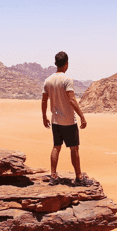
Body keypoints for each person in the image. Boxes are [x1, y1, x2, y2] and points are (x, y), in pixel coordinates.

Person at [41, 51, 89, 185]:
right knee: (74, 148)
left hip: (55, 121)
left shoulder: (48, 80)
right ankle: (79, 177)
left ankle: (53, 175)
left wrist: (44, 116)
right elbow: (72, 100)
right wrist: (82, 117)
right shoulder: (67, 80)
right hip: (68, 121)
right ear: (66, 64)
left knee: (56, 146)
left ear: (56, 64)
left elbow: (44, 100)